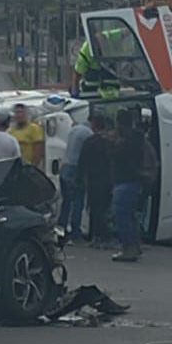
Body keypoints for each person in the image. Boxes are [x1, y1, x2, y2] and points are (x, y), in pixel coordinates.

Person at [109, 109, 146, 262]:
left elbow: (118, 158)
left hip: (124, 180)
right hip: (134, 181)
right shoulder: (137, 138)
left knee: (122, 215)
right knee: (130, 216)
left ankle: (128, 248)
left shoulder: (125, 140)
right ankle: (135, 246)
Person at [77, 114, 115, 248]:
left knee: (95, 209)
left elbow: (82, 162)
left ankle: (97, 236)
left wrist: (79, 178)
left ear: (93, 125)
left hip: (93, 179)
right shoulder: (110, 142)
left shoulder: (90, 142)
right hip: (109, 179)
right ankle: (104, 237)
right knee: (105, 209)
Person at [59, 119, 93, 241]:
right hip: (76, 168)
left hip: (65, 167)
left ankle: (61, 229)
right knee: (77, 201)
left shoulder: (73, 130)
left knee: (66, 202)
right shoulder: (88, 133)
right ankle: (75, 232)